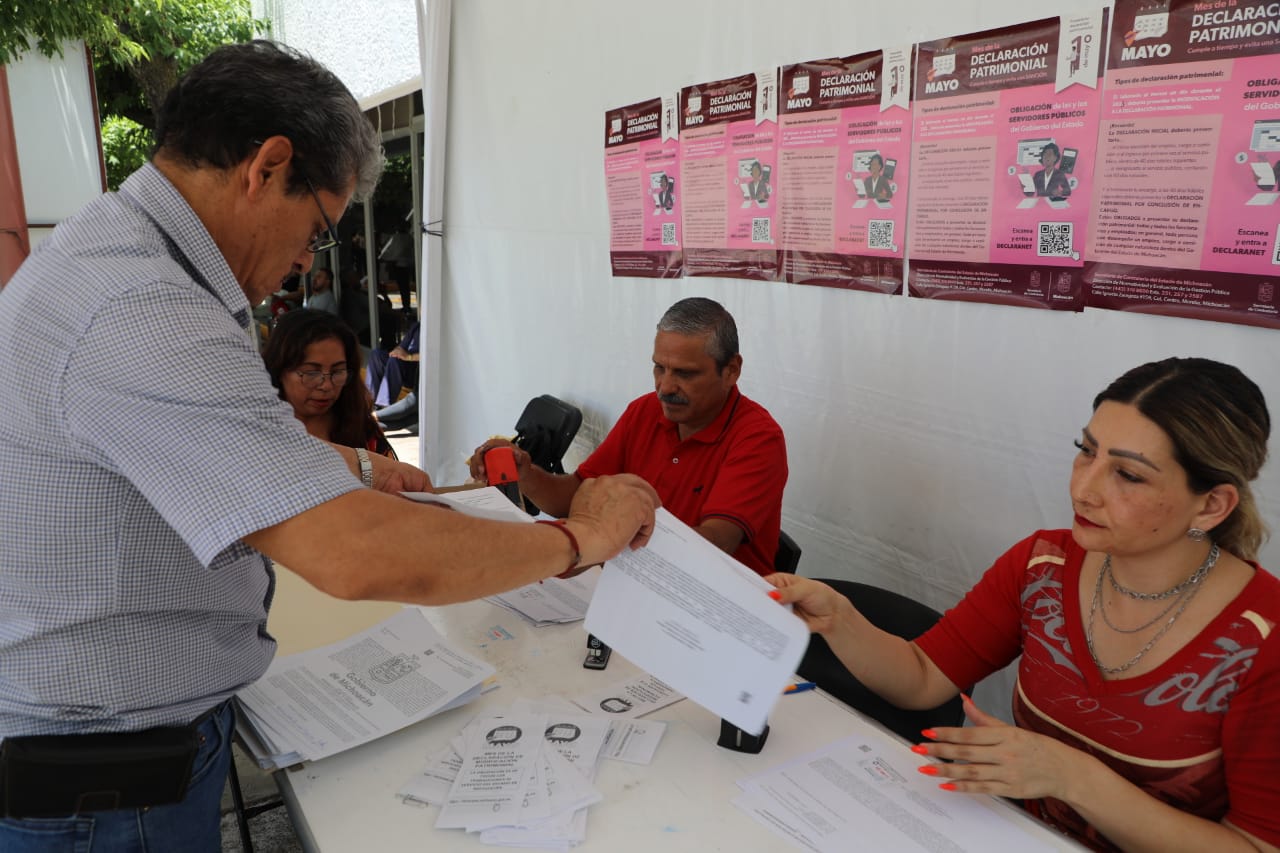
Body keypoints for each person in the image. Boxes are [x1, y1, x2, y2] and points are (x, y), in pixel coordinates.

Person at [0, 41, 657, 853]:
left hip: (108, 758)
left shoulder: (120, 253)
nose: (307, 260)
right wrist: (577, 541)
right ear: (268, 167)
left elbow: (213, 440)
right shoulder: (142, 307)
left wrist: (357, 464)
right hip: (104, 787)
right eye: (319, 227)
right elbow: (354, 554)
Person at [768, 358, 1280, 853]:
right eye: (1087, 450)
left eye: (1129, 474)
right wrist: (841, 619)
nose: (1084, 488)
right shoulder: (1045, 565)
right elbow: (924, 676)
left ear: (1212, 504)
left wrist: (1072, 776)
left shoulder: (1264, 638)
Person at [471, 297, 786, 576]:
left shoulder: (758, 438)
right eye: (659, 368)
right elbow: (574, 496)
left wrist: (606, 535)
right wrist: (525, 474)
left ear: (731, 370)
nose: (665, 387)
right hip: (637, 586)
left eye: (685, 374)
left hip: (716, 608)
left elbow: (714, 548)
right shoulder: (646, 411)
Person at [264, 309, 395, 457]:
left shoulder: (362, 429)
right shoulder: (257, 432)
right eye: (311, 373)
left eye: (338, 372)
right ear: (279, 371)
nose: (326, 386)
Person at [366, 316, 421, 408]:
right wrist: (397, 352)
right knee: (376, 355)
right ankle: (368, 403)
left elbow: (432, 356)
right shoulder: (417, 326)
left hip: (417, 372)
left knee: (395, 360)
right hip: (403, 366)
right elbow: (401, 347)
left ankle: (382, 406)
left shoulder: (436, 331)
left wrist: (408, 357)